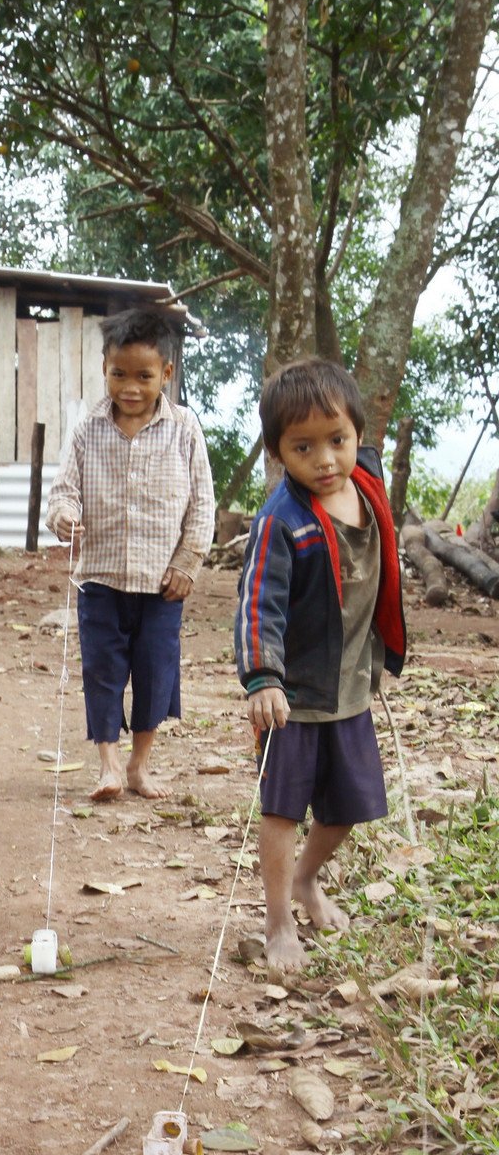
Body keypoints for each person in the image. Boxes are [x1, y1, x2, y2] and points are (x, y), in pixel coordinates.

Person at [235, 357, 407, 971]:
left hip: (350, 685)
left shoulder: (366, 486)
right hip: (293, 694)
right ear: (280, 453)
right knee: (284, 808)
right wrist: (262, 677)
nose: (326, 460)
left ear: (358, 434)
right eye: (303, 447)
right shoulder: (282, 521)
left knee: (350, 804)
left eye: (338, 441)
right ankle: (279, 919)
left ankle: (308, 878)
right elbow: (258, 601)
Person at [45, 307, 215, 801]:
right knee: (102, 669)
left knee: (155, 672)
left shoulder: (185, 429)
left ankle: (140, 766)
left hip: (163, 584)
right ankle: (109, 767)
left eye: (144, 376)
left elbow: (202, 504)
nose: (131, 387)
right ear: (104, 368)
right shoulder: (86, 430)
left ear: (166, 373)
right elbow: (63, 492)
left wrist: (188, 563)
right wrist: (65, 518)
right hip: (100, 579)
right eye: (120, 374)